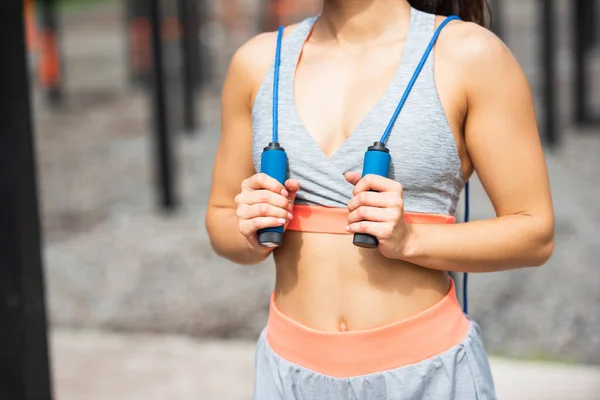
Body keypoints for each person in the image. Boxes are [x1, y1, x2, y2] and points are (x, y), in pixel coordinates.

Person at [205, 0, 555, 398]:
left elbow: (535, 232)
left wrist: (412, 240)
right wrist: (248, 228)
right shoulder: (257, 61)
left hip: (423, 374)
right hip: (288, 372)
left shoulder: (468, 54)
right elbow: (220, 219)